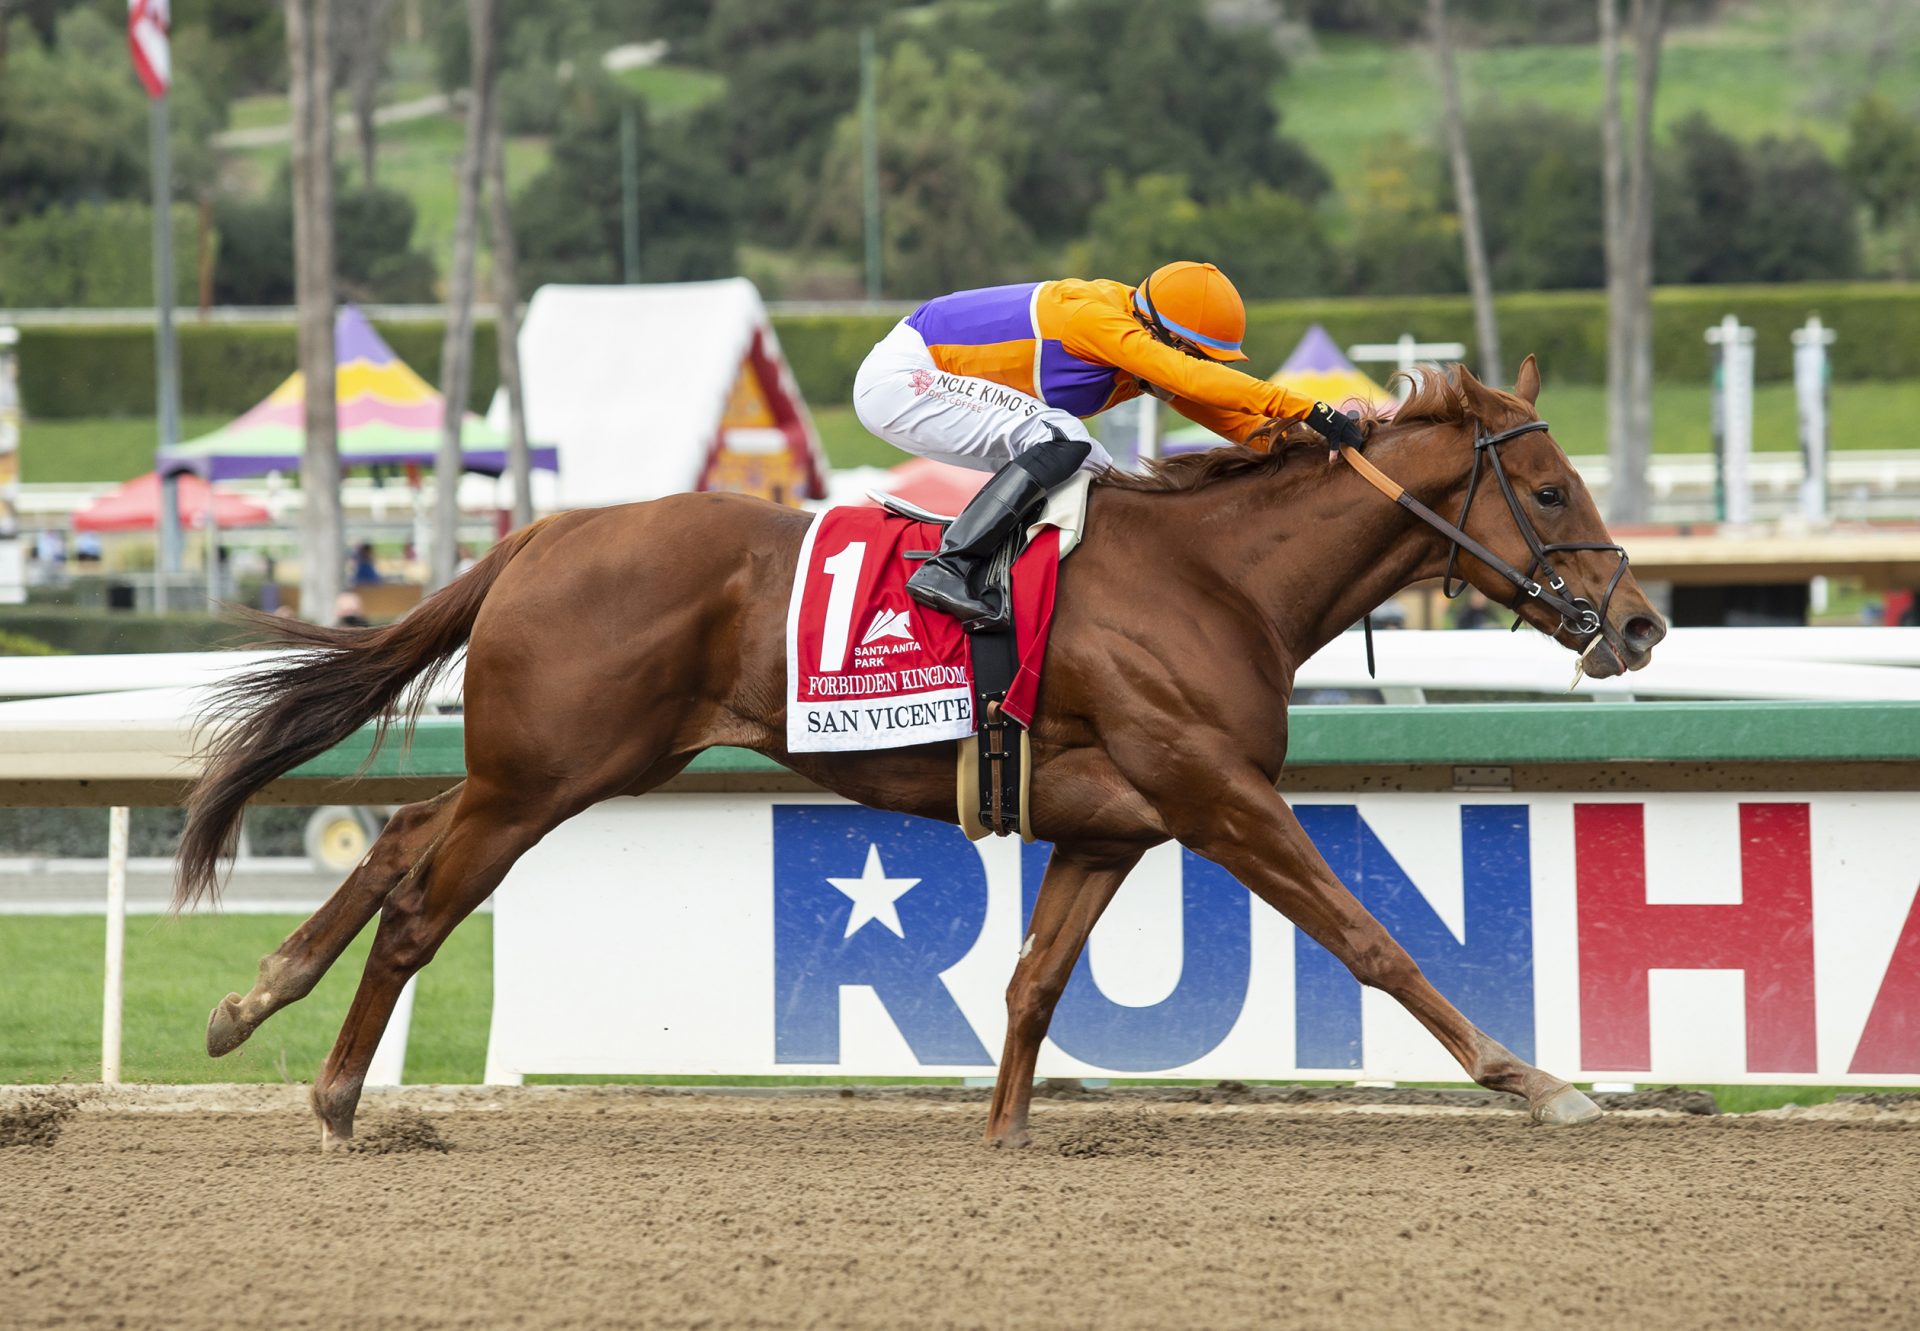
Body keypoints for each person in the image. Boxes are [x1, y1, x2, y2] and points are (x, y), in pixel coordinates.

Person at [854, 261, 1366, 629]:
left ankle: (1036, 591)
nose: (1206, 366)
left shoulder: (1142, 341)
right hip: (904, 378)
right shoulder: (1098, 320)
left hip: (930, 383)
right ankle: (949, 567)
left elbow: (1221, 413)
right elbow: (1188, 378)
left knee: (1096, 471)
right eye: (1199, 354)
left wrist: (1295, 447)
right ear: (1163, 336)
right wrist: (1308, 407)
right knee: (1063, 438)